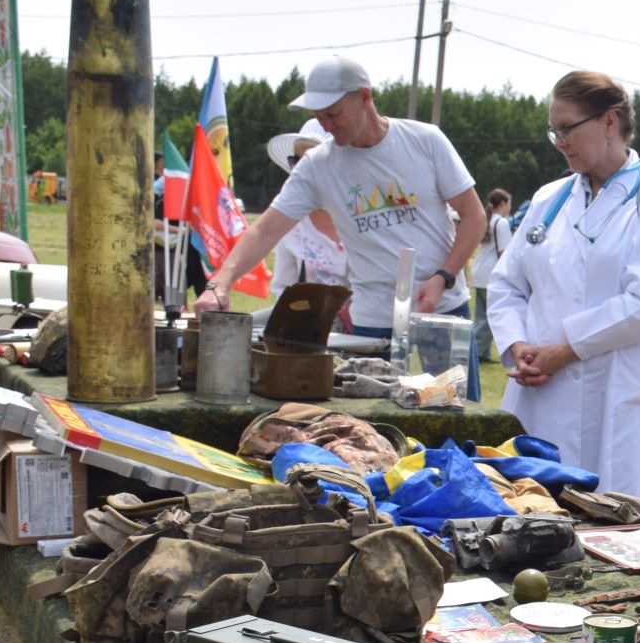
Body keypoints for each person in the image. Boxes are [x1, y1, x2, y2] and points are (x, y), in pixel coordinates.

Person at [196, 56, 487, 401]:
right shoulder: (318, 167)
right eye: (319, 117)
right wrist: (220, 282)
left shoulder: (425, 141)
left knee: (453, 416)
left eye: (333, 114)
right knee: (374, 429)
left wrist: (443, 276)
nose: (327, 125)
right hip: (372, 321)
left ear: (364, 97)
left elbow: (474, 216)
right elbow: (265, 231)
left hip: (440, 313)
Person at [484, 70, 640, 527]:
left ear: (609, 122)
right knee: (534, 520)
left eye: (567, 128)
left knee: (628, 531)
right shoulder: (549, 199)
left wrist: (567, 349)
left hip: (621, 391)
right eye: (553, 131)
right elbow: (507, 284)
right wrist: (518, 344)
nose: (559, 141)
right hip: (542, 390)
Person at [262, 119, 349, 294]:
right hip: (308, 318)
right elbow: (283, 289)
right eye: (297, 161)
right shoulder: (290, 222)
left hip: (367, 318)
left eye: (315, 162)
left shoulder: (367, 213)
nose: (305, 171)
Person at [472, 188, 512, 363]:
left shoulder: (486, 220)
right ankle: (479, 352)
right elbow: (505, 252)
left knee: (480, 315)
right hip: (490, 273)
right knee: (489, 317)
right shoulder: (501, 223)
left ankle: (479, 350)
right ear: (503, 203)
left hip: (479, 271)